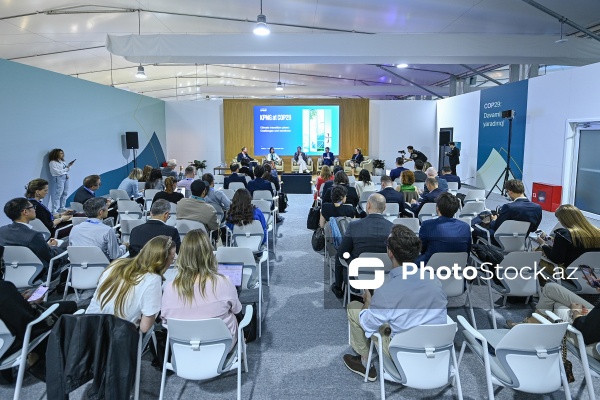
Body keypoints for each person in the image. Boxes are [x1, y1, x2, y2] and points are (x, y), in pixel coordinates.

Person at [344, 224, 447, 380]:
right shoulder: (434, 279)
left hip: (402, 354)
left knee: (353, 308)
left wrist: (369, 302)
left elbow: (368, 325)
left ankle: (365, 363)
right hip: (436, 351)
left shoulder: (386, 290)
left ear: (390, 253)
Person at [162, 229, 243, 349]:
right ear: (210, 253)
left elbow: (165, 322)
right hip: (222, 346)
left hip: (182, 348)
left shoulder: (169, 288)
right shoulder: (224, 282)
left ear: (182, 255)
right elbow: (237, 311)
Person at [86, 235, 176, 333]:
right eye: (172, 259)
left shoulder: (117, 264)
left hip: (88, 327)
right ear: (162, 261)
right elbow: (145, 328)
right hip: (115, 338)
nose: (172, 262)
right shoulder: (153, 280)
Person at [0, 278, 77, 367]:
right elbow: (26, 319)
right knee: (69, 306)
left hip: (4, 341)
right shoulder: (4, 287)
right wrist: (32, 303)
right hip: (14, 342)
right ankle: (44, 355)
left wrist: (19, 300)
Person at [332, 193, 392, 298]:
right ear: (385, 207)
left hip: (357, 278)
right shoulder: (393, 228)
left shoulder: (354, 226)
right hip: (385, 278)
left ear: (368, 205)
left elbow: (342, 253)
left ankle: (338, 288)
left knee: (339, 256)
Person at [507, 282, 600, 346]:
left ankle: (532, 325)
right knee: (551, 289)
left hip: (591, 340)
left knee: (557, 305)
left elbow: (586, 332)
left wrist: (576, 312)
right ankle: (533, 323)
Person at [0, 198, 65, 280]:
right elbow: (50, 257)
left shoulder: (1, 231)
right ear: (25, 212)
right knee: (65, 251)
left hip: (9, 274)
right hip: (38, 274)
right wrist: (53, 247)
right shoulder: (34, 236)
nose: (34, 209)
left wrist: (44, 246)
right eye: (32, 207)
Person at [474, 179, 542, 246]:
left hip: (498, 241)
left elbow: (496, 227)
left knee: (475, 225)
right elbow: (533, 229)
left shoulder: (509, 207)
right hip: (520, 242)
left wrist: (494, 220)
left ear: (510, 191)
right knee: (486, 213)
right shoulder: (537, 208)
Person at [536, 204, 600, 268]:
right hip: (593, 273)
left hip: (568, 272)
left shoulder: (564, 234)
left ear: (564, 220)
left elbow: (556, 259)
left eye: (559, 220)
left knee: (538, 251)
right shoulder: (597, 232)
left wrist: (543, 244)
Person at [417, 192, 472, 264]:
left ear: (438, 208)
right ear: (455, 210)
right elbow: (467, 251)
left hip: (430, 267)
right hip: (457, 267)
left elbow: (422, 249)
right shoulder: (465, 227)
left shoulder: (427, 225)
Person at [48, 148, 75, 213]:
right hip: (59, 178)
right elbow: (56, 172)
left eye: (62, 153)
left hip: (65, 177)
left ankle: (62, 207)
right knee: (58, 193)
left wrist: (68, 167)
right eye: (60, 153)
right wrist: (66, 169)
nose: (62, 154)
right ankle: (54, 209)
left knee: (65, 193)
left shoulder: (62, 161)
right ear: (56, 154)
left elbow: (65, 170)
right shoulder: (52, 162)